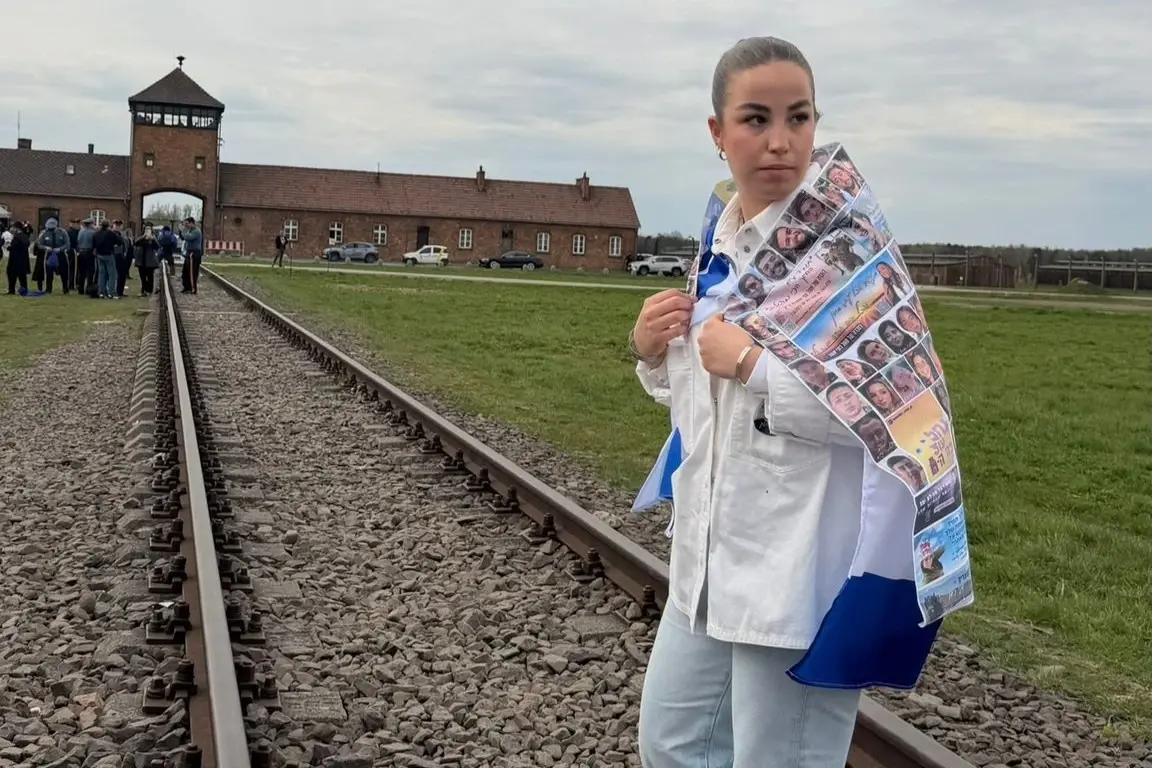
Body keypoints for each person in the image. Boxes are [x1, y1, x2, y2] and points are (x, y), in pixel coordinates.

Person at [630, 38, 872, 767]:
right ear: (718, 132)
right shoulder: (722, 245)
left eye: (798, 117)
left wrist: (754, 367)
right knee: (672, 743)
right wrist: (652, 353)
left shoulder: (846, 256)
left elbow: (887, 418)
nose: (779, 140)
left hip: (796, 567)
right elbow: (703, 398)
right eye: (756, 118)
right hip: (708, 559)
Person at [92, 220, 119, 299]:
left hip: (99, 255)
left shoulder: (96, 234)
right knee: (112, 274)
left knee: (101, 274)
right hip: (109, 254)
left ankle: (102, 292)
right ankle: (111, 292)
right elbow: (119, 242)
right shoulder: (111, 234)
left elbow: (93, 245)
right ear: (108, 226)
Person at [134, 226, 161, 295]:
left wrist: (153, 239)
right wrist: (143, 237)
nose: (147, 231)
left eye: (149, 230)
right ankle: (144, 289)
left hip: (150, 261)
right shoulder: (141, 238)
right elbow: (136, 243)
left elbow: (157, 246)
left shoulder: (153, 238)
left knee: (150, 276)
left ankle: (149, 290)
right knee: (142, 277)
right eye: (146, 229)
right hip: (141, 260)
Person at [179, 217, 203, 293]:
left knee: (192, 272)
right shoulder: (190, 230)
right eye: (185, 224)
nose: (186, 225)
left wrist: (183, 230)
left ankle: (193, 288)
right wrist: (180, 231)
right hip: (189, 253)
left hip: (194, 253)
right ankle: (186, 287)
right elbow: (183, 238)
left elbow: (188, 237)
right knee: (185, 271)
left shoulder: (196, 231)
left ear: (192, 223)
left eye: (187, 224)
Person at [5, 224, 30, 295]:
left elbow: (14, 247)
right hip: (22, 260)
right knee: (22, 276)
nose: (12, 230)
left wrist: (8, 246)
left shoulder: (18, 237)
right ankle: (24, 290)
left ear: (17, 228)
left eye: (13, 228)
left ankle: (12, 290)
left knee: (12, 275)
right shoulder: (25, 236)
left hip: (15, 260)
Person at [75, 219, 97, 295]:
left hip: (81, 252)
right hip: (89, 252)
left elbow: (78, 241)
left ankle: (80, 289)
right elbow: (95, 243)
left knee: (81, 271)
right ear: (91, 224)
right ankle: (88, 289)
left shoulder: (81, 231)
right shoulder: (93, 232)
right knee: (90, 271)